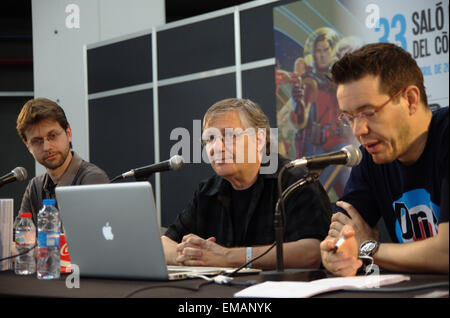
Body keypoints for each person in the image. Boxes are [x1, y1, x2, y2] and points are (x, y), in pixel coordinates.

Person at [320, 43, 449, 276]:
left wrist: (367, 248)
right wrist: (334, 253)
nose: (359, 130)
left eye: (369, 112)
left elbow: (446, 252)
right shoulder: (373, 155)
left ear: (410, 99)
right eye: (349, 118)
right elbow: (339, 239)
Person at [162, 98, 331, 269]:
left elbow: (313, 252)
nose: (216, 147)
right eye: (210, 138)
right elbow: (164, 242)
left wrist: (228, 257)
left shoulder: (294, 179)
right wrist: (189, 256)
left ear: (258, 141)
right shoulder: (207, 191)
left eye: (229, 136)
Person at [16, 98, 109, 224]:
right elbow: (20, 238)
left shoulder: (92, 179)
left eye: (52, 136)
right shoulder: (35, 187)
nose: (47, 147)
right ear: (28, 146)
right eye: (37, 141)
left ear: (68, 133)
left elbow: (91, 238)